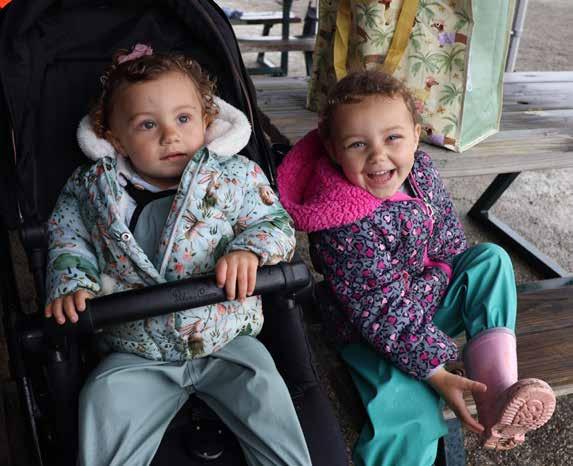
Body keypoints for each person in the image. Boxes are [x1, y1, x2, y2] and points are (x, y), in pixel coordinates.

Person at [44, 44, 311, 466]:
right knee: (103, 396)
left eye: (183, 119)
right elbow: (68, 238)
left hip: (227, 337)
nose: (170, 135)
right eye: (148, 124)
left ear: (206, 120)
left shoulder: (235, 175)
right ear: (115, 137)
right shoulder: (93, 189)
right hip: (135, 348)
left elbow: (274, 222)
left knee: (265, 392)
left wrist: (250, 250)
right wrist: (72, 281)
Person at [277, 70, 556, 466]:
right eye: (358, 144)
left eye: (392, 137)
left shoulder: (421, 171)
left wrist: (443, 284)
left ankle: (495, 395)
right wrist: (435, 371)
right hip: (369, 331)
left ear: (416, 133)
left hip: (424, 299)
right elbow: (380, 310)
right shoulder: (341, 220)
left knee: (490, 260)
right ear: (333, 150)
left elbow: (449, 242)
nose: (377, 155)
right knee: (408, 411)